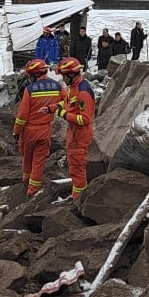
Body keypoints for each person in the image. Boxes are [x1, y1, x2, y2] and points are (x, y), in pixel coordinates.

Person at [13, 59, 62, 196]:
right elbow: (66, 102)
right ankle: (33, 191)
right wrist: (52, 109)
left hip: (29, 130)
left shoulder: (30, 90)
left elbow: (22, 115)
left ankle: (26, 181)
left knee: (27, 157)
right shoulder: (57, 86)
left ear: (34, 74)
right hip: (45, 129)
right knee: (39, 161)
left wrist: (16, 132)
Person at [57, 57, 95, 200]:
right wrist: (51, 108)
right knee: (74, 166)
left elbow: (85, 119)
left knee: (78, 168)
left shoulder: (83, 92)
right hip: (74, 133)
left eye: (64, 76)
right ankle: (77, 196)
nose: (63, 79)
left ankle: (78, 199)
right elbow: (66, 105)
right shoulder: (73, 89)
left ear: (71, 75)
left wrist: (65, 115)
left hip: (80, 134)